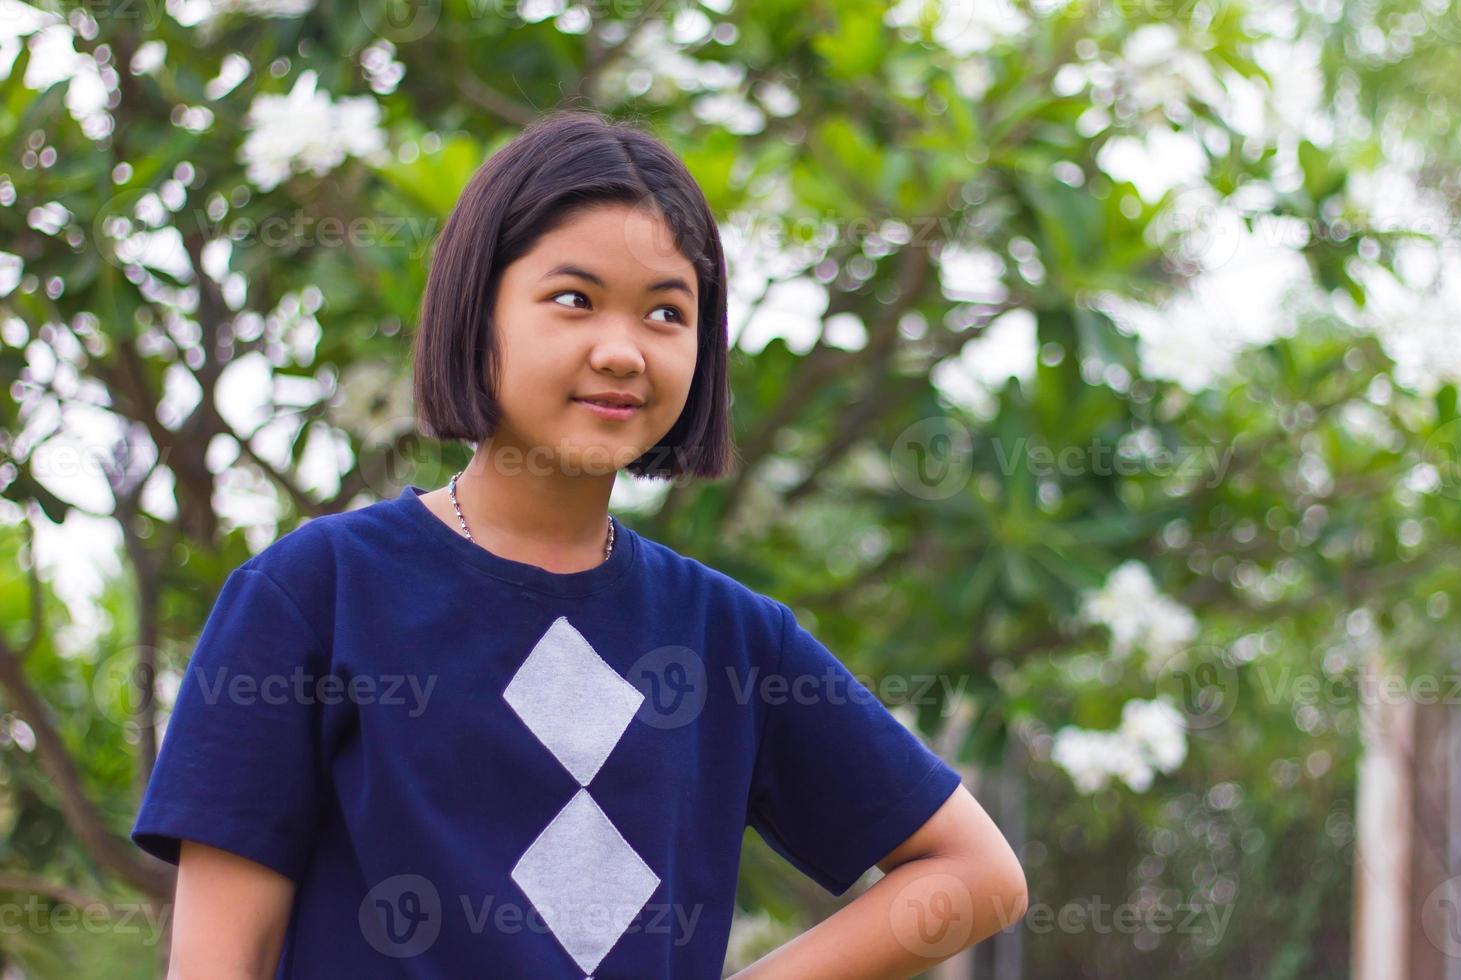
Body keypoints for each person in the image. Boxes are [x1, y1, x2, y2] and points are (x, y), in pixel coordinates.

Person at [131, 108, 1027, 979]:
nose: (622, 351)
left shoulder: (731, 638)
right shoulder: (312, 597)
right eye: (573, 300)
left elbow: (978, 874)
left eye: (666, 314)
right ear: (477, 312)